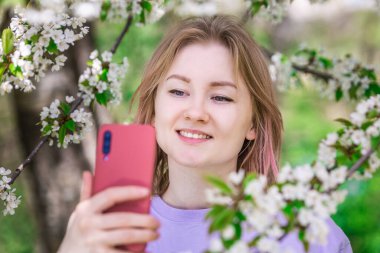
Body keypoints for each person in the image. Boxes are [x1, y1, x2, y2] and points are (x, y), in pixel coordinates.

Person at [58, 15, 352, 253]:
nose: (196, 112)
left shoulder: (310, 236)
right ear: (155, 108)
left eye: (221, 97)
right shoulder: (107, 232)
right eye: (178, 91)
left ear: (253, 123)